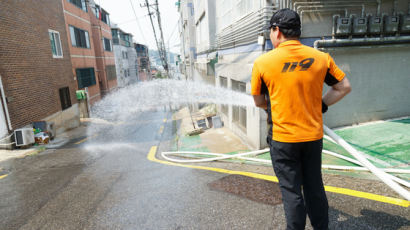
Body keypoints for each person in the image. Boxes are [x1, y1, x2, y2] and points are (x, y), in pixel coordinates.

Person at [251, 9, 351, 230]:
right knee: (314, 187)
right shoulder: (321, 58)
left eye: (271, 31)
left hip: (283, 139)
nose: (270, 35)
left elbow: (258, 101)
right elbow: (344, 87)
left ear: (277, 31)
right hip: (312, 137)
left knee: (292, 191)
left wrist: (278, 104)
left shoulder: (263, 63)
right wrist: (321, 104)